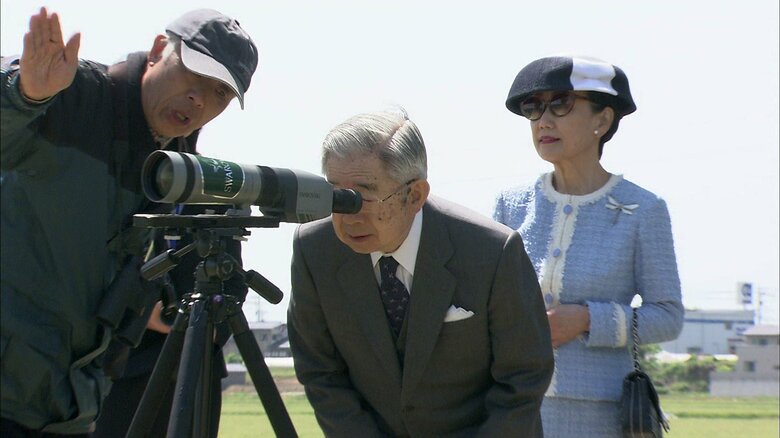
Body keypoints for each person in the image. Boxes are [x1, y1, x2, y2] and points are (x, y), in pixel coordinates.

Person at [1, 7, 258, 436]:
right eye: (193, 75)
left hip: (68, 410)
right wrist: (25, 95)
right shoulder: (72, 95)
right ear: (159, 50)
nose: (200, 99)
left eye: (219, 93)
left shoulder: (176, 167)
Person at [287, 108, 554, 437]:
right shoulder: (315, 249)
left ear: (414, 195)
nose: (347, 214)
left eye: (362, 195)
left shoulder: (491, 252)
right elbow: (320, 371)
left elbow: (524, 378)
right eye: (336, 194)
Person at [493, 55, 684, 437]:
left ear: (603, 119)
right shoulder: (511, 205)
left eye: (561, 104)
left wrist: (586, 319)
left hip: (604, 415)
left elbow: (668, 316)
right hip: (516, 406)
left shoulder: (644, 209)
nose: (544, 120)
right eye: (534, 108)